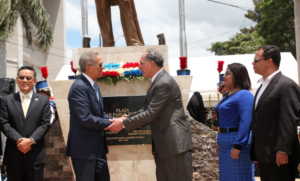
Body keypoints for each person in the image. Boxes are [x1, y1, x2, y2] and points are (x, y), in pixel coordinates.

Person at [105, 49, 192, 181]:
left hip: (173, 145)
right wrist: (125, 118)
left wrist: (123, 124)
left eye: (141, 63)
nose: (138, 66)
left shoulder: (163, 83)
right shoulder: (158, 81)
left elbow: (150, 113)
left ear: (151, 63)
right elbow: (146, 109)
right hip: (166, 145)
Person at [251, 45, 300, 181]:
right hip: (264, 154)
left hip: (278, 155)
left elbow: (288, 120)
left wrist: (283, 150)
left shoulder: (286, 85)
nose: (253, 63)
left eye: (256, 60)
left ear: (270, 61)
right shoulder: (262, 86)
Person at [66, 51, 112, 181]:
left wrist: (111, 119)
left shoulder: (94, 86)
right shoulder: (79, 87)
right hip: (84, 151)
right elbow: (85, 118)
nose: (103, 68)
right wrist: (110, 123)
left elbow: (98, 114)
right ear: (88, 66)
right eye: (100, 65)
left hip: (97, 150)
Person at [0, 66, 51, 181]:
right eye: (21, 77)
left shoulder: (43, 100)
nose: (25, 80)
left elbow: (45, 124)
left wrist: (31, 140)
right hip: (14, 154)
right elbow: (4, 123)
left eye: (28, 78)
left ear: (34, 81)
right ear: (17, 80)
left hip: (35, 154)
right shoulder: (6, 100)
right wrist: (19, 140)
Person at [215, 63, 254, 181]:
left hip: (236, 142)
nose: (224, 77)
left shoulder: (244, 95)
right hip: (225, 142)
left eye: (228, 74)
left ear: (237, 76)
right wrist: (225, 94)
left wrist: (238, 145)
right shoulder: (230, 95)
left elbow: (246, 121)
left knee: (238, 176)